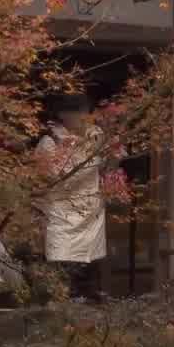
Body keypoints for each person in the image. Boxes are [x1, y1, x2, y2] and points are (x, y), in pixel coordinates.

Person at [34, 96, 109, 300]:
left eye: (85, 111)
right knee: (64, 259)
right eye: (78, 111)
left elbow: (106, 165)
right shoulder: (49, 142)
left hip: (90, 207)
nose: (84, 116)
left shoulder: (95, 137)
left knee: (90, 259)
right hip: (62, 210)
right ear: (62, 115)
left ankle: (89, 295)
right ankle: (64, 299)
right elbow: (55, 176)